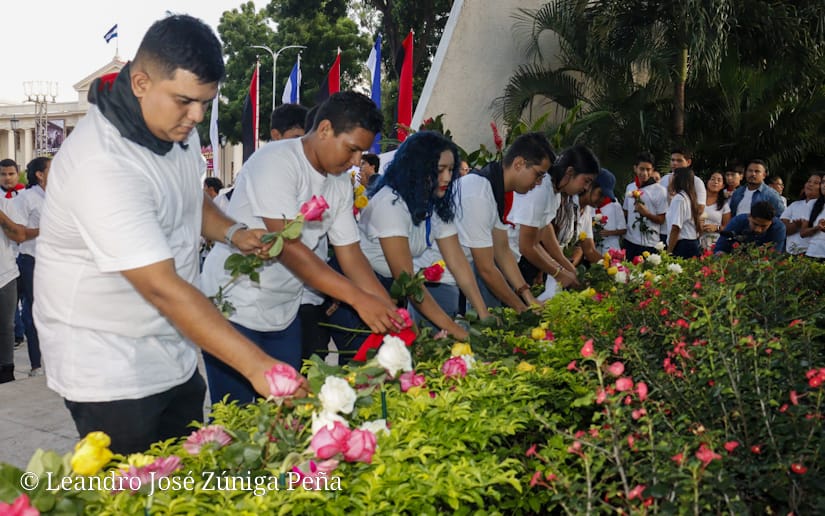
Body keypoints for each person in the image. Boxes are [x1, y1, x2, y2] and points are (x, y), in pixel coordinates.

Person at [34, 15, 307, 454]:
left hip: (172, 349)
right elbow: (161, 288)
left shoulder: (173, 123)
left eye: (204, 102)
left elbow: (187, 197)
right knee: (134, 490)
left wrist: (233, 231)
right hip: (109, 365)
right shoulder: (102, 164)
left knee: (181, 484)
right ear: (141, 82)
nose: (196, 116)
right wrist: (259, 366)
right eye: (185, 101)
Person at [200, 91, 402, 405]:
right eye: (351, 149)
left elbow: (350, 253)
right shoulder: (276, 160)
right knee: (234, 419)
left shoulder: (338, 183)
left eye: (361, 154)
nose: (355, 162)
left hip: (283, 313)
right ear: (324, 130)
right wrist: (358, 298)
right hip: (232, 309)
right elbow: (288, 248)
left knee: (286, 415)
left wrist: (386, 306)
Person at [353, 131, 489, 338]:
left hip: (393, 291)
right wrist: (458, 332)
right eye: (440, 170)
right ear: (416, 168)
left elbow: (457, 261)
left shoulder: (433, 200)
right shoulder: (391, 204)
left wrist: (484, 314)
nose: (447, 177)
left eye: (451, 170)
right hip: (362, 295)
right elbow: (406, 280)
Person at [452, 132, 554, 311]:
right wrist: (522, 309)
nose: (538, 183)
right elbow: (486, 268)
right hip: (439, 280)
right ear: (519, 164)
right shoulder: (478, 191)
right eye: (538, 175)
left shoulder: (494, 187)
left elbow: (502, 250)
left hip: (456, 278)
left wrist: (528, 297)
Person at [510, 145, 599, 290]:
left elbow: (544, 231)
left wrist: (567, 267)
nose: (586, 188)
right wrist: (558, 272)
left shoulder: (555, 194)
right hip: (504, 259)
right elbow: (527, 246)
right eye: (586, 180)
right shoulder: (540, 189)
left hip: (514, 258)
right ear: (570, 171)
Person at [16, 157, 49, 376]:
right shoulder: (26, 197)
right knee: (34, 312)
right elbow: (18, 233)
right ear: (40, 174)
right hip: (30, 261)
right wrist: (46, 229)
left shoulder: (61, 196)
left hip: (55, 262)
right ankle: (36, 364)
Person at [623, 152, 668, 260]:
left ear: (652, 170)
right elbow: (625, 212)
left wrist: (646, 213)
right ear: (635, 168)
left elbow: (662, 219)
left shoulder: (660, 191)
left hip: (650, 244)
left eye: (648, 169)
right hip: (630, 241)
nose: (645, 173)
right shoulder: (630, 187)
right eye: (641, 169)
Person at [714, 201, 786, 254]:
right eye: (755, 224)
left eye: (763, 226)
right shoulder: (737, 221)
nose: (758, 230)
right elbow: (720, 248)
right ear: (749, 217)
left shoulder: (779, 228)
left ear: (771, 222)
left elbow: (774, 256)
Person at [781, 172, 822, 255]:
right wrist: (796, 225)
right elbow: (782, 228)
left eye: (816, 183)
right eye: (809, 181)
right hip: (790, 253)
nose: (810, 184)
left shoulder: (822, 207)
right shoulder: (795, 205)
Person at [665, 167, 702, 258]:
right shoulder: (689, 197)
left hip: (683, 245)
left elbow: (676, 227)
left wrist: (669, 251)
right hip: (692, 242)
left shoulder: (679, 199)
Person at [699, 170, 732, 252]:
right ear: (707, 181)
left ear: (723, 185)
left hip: (714, 242)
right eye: (712, 179)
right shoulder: (697, 199)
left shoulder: (724, 205)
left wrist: (716, 228)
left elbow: (728, 228)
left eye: (719, 180)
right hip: (695, 239)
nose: (715, 182)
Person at [801, 174, 825, 260]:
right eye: (823, 182)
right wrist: (817, 227)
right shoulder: (812, 204)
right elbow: (803, 233)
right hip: (813, 254)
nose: (824, 185)